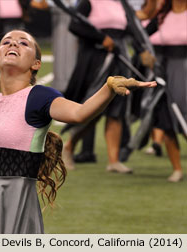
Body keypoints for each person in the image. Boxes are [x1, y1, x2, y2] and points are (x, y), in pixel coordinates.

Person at [0, 30, 156, 233]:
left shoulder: (39, 96)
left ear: (36, 64)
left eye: (24, 43)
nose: (13, 44)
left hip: (16, 201)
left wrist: (109, 87)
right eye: (7, 42)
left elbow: (80, 114)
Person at [62, 0, 156, 172]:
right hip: (96, 60)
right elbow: (75, 26)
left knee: (117, 110)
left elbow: (133, 30)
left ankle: (113, 161)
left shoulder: (122, 4)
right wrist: (101, 38)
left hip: (119, 57)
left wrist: (143, 50)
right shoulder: (88, 2)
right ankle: (69, 146)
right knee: (93, 109)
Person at [145, 0, 187, 181]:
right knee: (167, 118)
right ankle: (177, 168)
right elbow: (143, 37)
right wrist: (145, 55)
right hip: (164, 72)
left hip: (185, 69)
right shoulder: (161, 15)